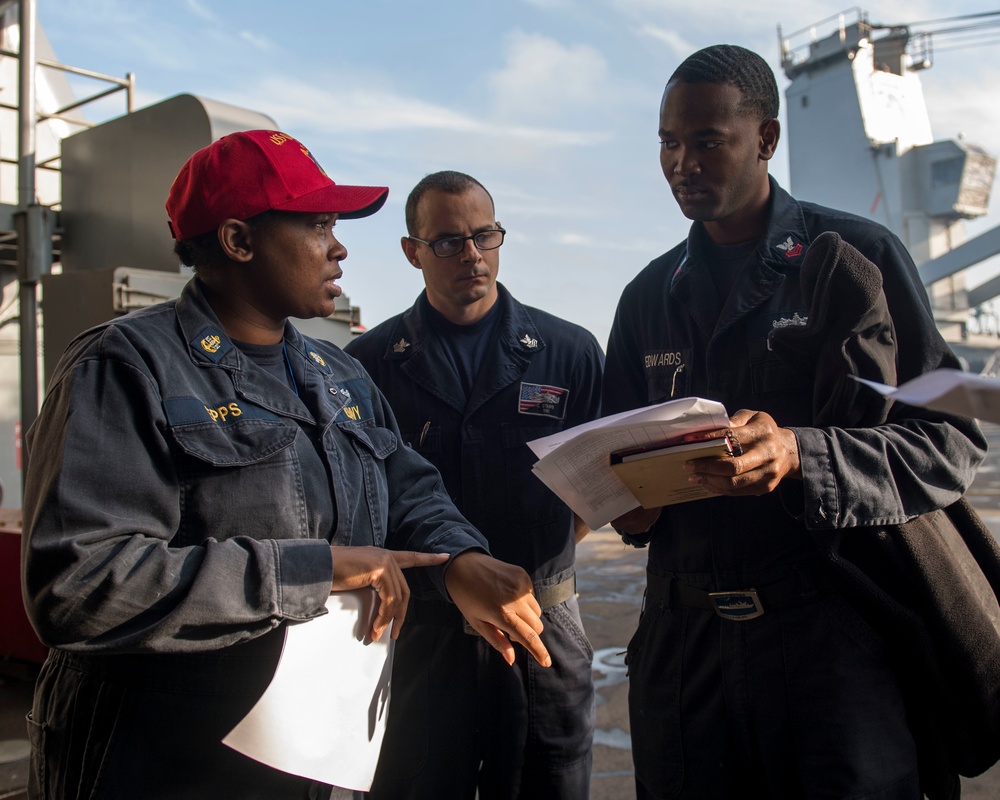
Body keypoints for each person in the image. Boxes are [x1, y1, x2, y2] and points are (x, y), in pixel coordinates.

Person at [20, 131, 552, 800]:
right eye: (318, 224)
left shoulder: (337, 373)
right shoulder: (125, 368)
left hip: (310, 762)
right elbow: (80, 585)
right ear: (240, 241)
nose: (339, 247)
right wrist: (314, 569)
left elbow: (404, 485)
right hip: (164, 766)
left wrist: (458, 561)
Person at [602, 45, 988, 799]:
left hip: (829, 649)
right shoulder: (646, 298)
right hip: (686, 655)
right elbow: (618, 476)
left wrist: (800, 456)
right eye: (668, 143)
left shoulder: (853, 259)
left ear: (767, 140)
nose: (682, 162)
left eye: (708, 140)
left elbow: (949, 443)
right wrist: (628, 502)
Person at [345, 170, 603, 799]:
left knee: (551, 779)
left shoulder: (567, 352)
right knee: (421, 780)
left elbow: (595, 484)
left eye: (485, 236)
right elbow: (366, 498)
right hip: (426, 632)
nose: (472, 256)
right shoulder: (369, 366)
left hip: (541, 619)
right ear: (412, 252)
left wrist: (537, 562)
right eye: (447, 242)